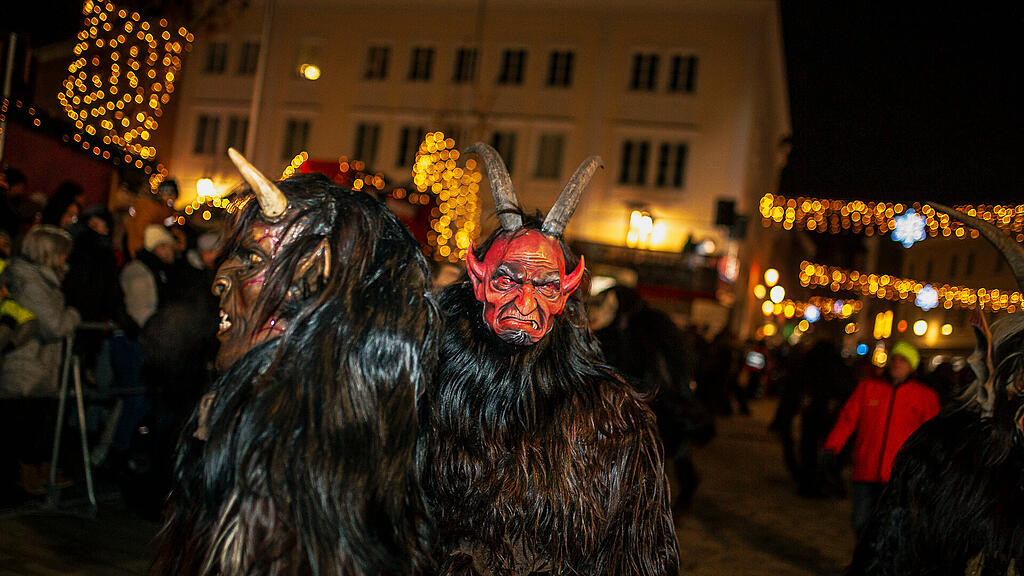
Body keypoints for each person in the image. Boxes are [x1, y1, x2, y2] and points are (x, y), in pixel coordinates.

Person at [153, 149, 437, 575]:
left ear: (313, 277)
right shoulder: (242, 413)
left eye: (252, 258)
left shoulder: (314, 452)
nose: (219, 279)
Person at [422, 143, 679, 574]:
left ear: (564, 293)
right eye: (508, 279)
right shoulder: (420, 383)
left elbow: (635, 555)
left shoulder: (610, 420)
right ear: (479, 279)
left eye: (543, 285)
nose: (524, 301)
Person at [823, 340, 939, 536]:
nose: (897, 363)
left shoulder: (925, 397)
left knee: (891, 529)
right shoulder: (868, 388)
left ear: (911, 366)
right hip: (866, 469)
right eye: (894, 358)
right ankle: (863, 562)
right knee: (860, 522)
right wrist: (832, 446)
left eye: (903, 360)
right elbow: (848, 419)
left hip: (899, 475)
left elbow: (932, 435)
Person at [0, 225, 81, 495]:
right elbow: (54, 325)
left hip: (40, 365)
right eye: (61, 254)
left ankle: (35, 472)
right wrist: (74, 314)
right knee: (22, 426)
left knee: (35, 424)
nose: (65, 260)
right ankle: (23, 478)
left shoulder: (44, 281)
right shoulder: (29, 282)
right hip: (26, 364)